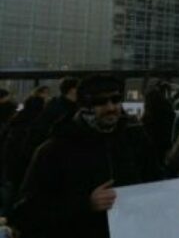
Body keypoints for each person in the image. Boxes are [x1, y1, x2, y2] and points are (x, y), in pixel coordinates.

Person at [13, 75, 162, 238]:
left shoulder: (135, 140)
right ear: (84, 107)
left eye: (116, 99)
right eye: (100, 102)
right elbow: (26, 213)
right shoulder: (56, 149)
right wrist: (85, 204)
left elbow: (158, 181)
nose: (111, 107)